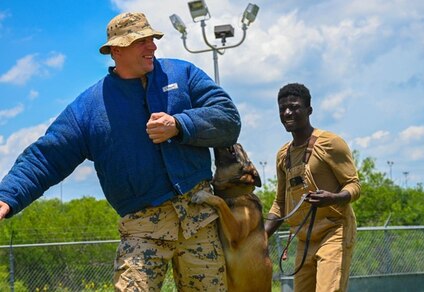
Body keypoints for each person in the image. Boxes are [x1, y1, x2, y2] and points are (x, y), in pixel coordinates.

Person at [0, 12, 241, 291]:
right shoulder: (89, 108)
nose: (152, 46)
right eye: (141, 41)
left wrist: (180, 124)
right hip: (142, 229)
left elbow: (228, 119)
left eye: (152, 38)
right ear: (116, 50)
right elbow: (46, 157)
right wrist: (7, 196)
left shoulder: (183, 74)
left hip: (199, 218)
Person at [264, 83, 360, 292]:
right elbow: (280, 204)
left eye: (294, 107)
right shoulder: (283, 155)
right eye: (282, 108)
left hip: (334, 231)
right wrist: (260, 239)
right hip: (304, 237)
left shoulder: (330, 143)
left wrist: (334, 198)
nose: (287, 112)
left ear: (309, 110)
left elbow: (353, 185)